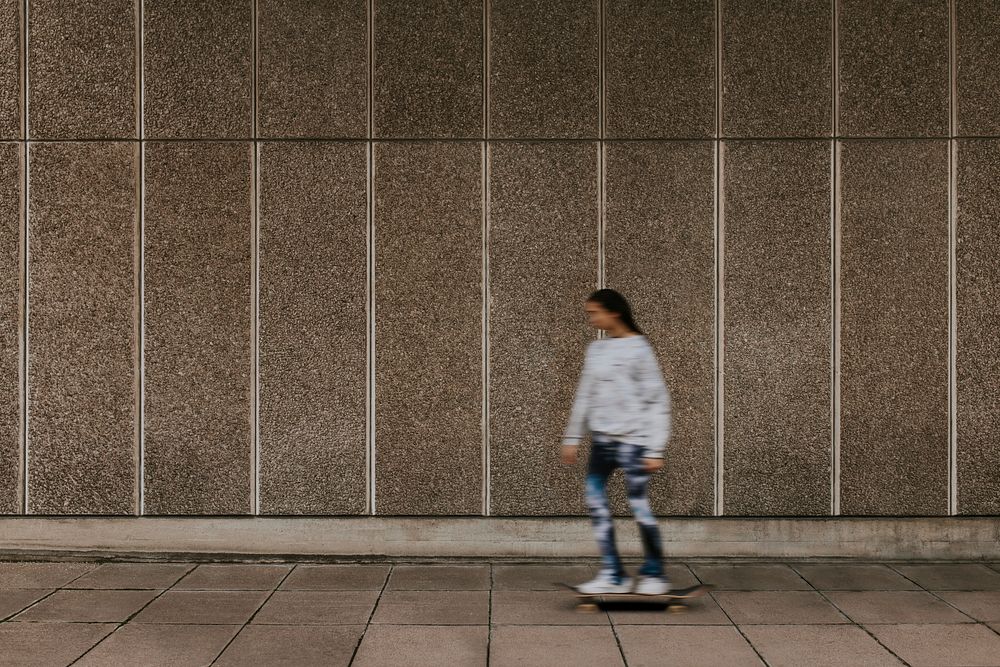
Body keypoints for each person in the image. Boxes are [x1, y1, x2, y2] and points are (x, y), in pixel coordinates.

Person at [561, 288, 673, 595]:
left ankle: (654, 574)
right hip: (602, 443)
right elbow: (584, 396)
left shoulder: (639, 349)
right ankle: (613, 574)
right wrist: (572, 437)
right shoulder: (596, 350)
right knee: (595, 503)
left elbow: (657, 400)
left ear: (615, 312)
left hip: (633, 443)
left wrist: (655, 448)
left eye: (594, 312)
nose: (591, 318)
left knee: (639, 506)